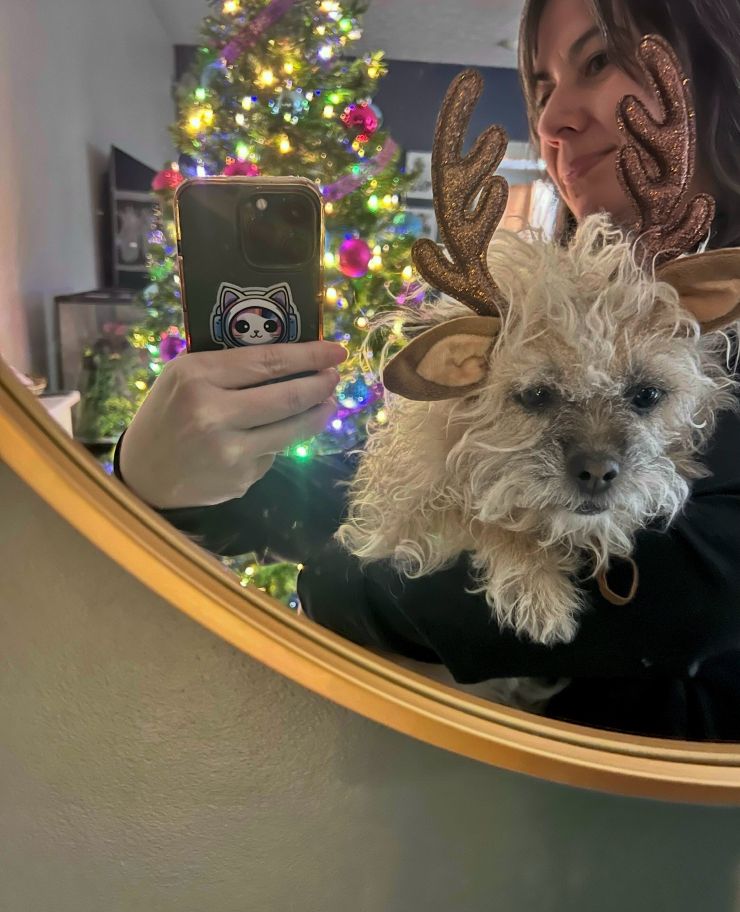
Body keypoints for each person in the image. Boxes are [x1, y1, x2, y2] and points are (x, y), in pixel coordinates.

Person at [115, 0, 740, 741]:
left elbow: (678, 598)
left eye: (598, 61)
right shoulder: (520, 312)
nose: (553, 120)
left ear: (709, 60)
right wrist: (159, 479)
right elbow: (382, 484)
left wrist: (340, 587)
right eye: (541, 87)